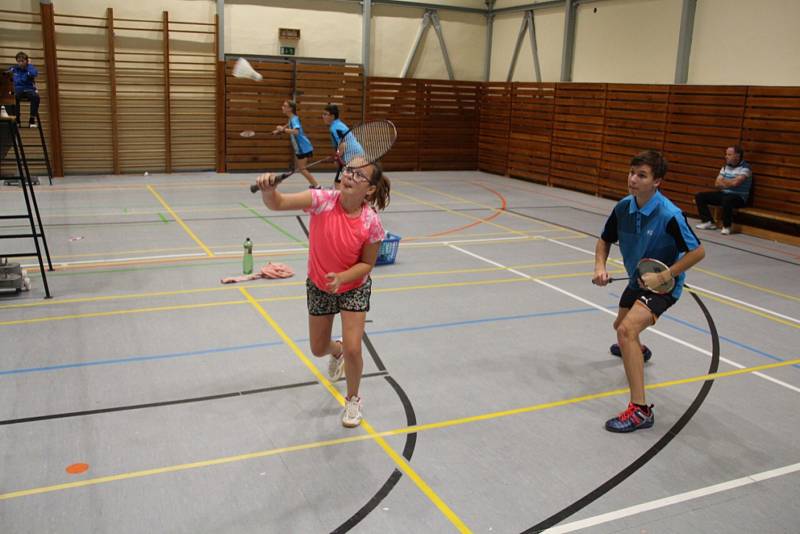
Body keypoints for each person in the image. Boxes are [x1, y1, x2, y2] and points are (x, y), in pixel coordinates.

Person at [255, 159, 391, 428]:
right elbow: (278, 203)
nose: (349, 175)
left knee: (355, 348)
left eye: (358, 174)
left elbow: (367, 264)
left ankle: (353, 399)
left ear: (370, 190)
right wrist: (268, 191)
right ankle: (335, 351)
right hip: (320, 285)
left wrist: (342, 278)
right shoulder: (322, 200)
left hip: (353, 286)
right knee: (318, 348)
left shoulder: (371, 223)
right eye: (348, 170)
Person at [593, 150, 705, 433]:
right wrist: (599, 267)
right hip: (636, 280)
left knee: (626, 330)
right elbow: (604, 240)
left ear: (657, 181)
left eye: (641, 175)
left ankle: (640, 411)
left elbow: (698, 251)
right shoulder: (623, 208)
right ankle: (638, 350)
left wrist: (666, 276)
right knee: (619, 326)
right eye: (631, 173)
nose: (633, 179)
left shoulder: (670, 215)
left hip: (663, 286)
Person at [694, 146, 753, 235]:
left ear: (737, 156)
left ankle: (726, 226)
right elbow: (717, 183)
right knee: (700, 196)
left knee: (728, 200)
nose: (726, 156)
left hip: (739, 197)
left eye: (729, 154)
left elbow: (736, 183)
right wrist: (730, 182)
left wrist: (725, 182)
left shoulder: (746, 168)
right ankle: (708, 222)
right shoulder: (725, 167)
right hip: (724, 193)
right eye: (726, 154)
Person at [272, 100, 320, 189]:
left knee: (302, 169)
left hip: (303, 147)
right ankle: (315, 185)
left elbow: (296, 132)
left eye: (285, 106)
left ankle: (317, 185)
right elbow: (289, 124)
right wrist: (280, 130)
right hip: (301, 147)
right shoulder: (292, 118)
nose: (282, 107)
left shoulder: (294, 119)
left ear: (290, 109)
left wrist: (283, 130)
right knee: (302, 168)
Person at [322, 104, 350, 189]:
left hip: (351, 157)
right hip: (348, 157)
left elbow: (343, 144)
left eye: (325, 114)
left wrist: (336, 157)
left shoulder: (335, 127)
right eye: (323, 114)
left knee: (338, 183)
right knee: (339, 182)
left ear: (332, 116)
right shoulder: (337, 125)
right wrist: (336, 157)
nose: (323, 116)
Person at [8, 51, 40, 128]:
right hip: (18, 90)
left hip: (29, 90)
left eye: (22, 61)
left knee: (36, 97)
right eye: (18, 61)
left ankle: (32, 119)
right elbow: (7, 73)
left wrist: (29, 66)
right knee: (13, 97)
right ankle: (17, 120)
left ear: (26, 61)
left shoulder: (30, 68)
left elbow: (34, 73)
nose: (20, 63)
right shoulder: (14, 68)